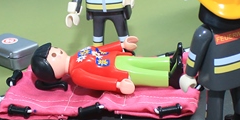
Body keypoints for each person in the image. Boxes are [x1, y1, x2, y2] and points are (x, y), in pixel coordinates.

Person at [29, 36, 183, 94]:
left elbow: (100, 49)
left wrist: (121, 45)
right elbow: (97, 82)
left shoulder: (78, 53)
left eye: (54, 49)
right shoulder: (76, 74)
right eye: (53, 55)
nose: (57, 51)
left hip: (117, 58)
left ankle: (169, 62)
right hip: (117, 72)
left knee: (144, 62)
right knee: (143, 75)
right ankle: (170, 79)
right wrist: (117, 85)